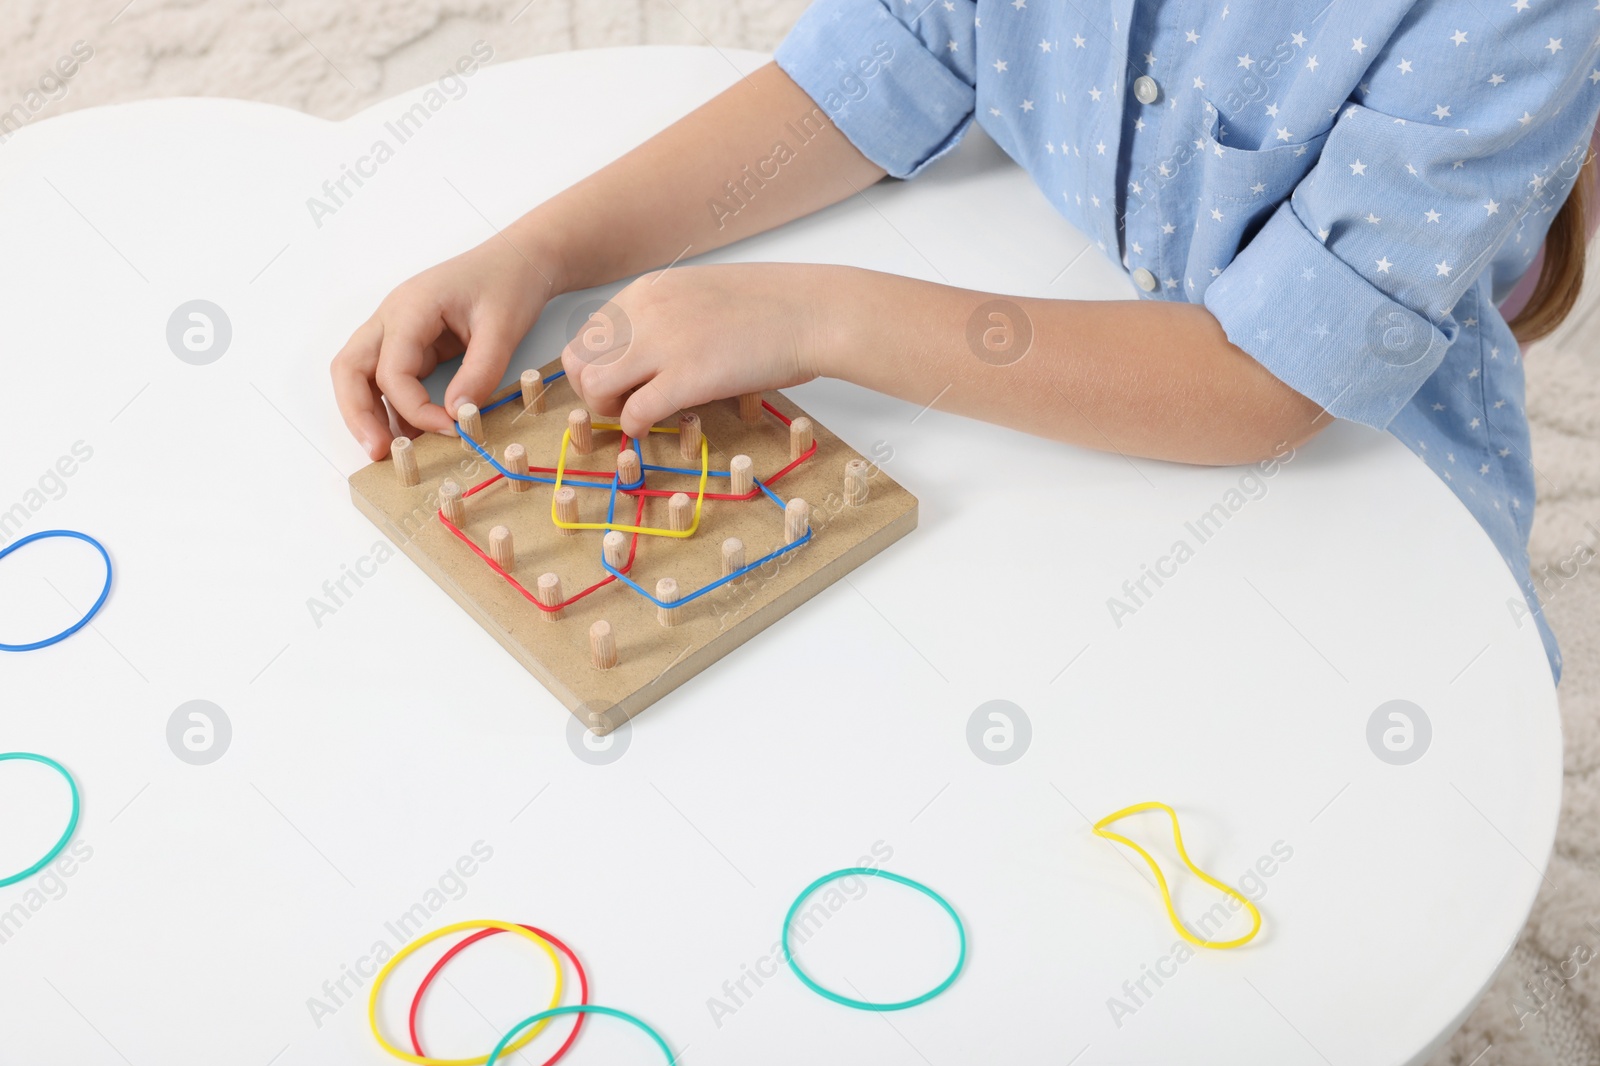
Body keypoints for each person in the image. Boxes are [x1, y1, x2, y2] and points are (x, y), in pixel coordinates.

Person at [330, 1, 1600, 681]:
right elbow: (873, 66)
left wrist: (816, 313)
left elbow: (1270, 387)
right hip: (1041, 460)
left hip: (1359, 526)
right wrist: (545, 250)